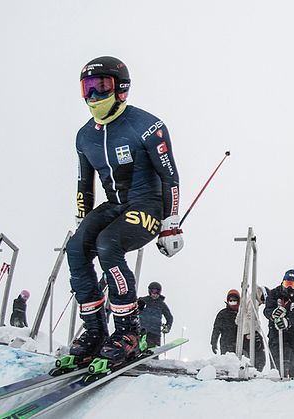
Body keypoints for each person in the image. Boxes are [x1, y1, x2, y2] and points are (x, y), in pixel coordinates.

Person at [66, 56, 184, 365]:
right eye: (87, 88)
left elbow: (169, 176)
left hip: (147, 206)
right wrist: (82, 221)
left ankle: (128, 332)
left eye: (101, 87)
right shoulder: (84, 136)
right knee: (76, 249)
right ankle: (94, 331)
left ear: (121, 89)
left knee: (108, 244)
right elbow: (84, 184)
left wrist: (171, 223)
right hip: (114, 206)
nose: (93, 96)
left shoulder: (147, 126)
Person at [264, 270, 294, 378]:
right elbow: (267, 310)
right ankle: (276, 376)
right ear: (283, 282)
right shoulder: (274, 293)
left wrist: (288, 321)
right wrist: (273, 315)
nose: (289, 287)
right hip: (276, 330)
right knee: (277, 355)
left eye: (292, 284)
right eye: (287, 284)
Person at [210, 289, 266, 370]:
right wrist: (213, 342)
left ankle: (253, 372)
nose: (233, 303)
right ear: (227, 301)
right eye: (231, 301)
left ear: (239, 301)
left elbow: (250, 323)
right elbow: (216, 329)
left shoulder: (242, 313)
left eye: (235, 301)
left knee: (243, 363)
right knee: (230, 364)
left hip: (242, 342)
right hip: (227, 343)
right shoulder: (222, 314)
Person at [138, 281, 174, 349]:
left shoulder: (161, 304)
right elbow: (133, 311)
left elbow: (169, 317)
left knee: (152, 351)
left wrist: (167, 327)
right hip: (141, 331)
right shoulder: (143, 301)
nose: (155, 294)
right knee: (140, 350)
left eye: (157, 292)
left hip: (154, 333)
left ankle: (153, 359)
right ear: (149, 292)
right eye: (153, 292)